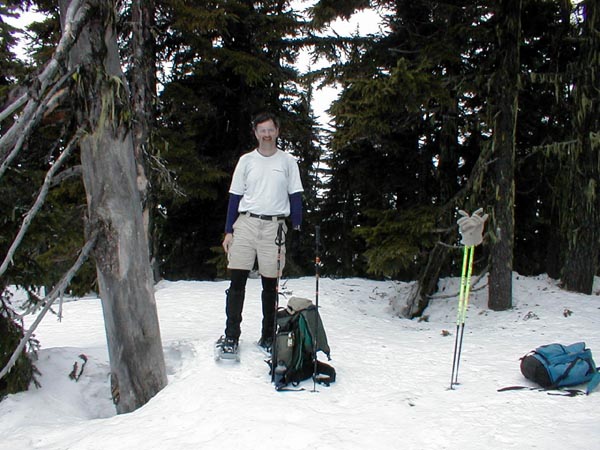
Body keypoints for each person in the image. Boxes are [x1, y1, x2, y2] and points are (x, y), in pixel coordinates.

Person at [216, 112, 303, 355]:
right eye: (262, 130)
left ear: (277, 132)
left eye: (270, 130)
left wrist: (297, 226)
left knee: (270, 285)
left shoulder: (288, 162)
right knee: (237, 282)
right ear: (255, 133)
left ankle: (268, 335)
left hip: (274, 228)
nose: (266, 135)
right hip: (246, 224)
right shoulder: (246, 161)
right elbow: (234, 197)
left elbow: (295, 196)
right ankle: (232, 335)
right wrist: (228, 231)